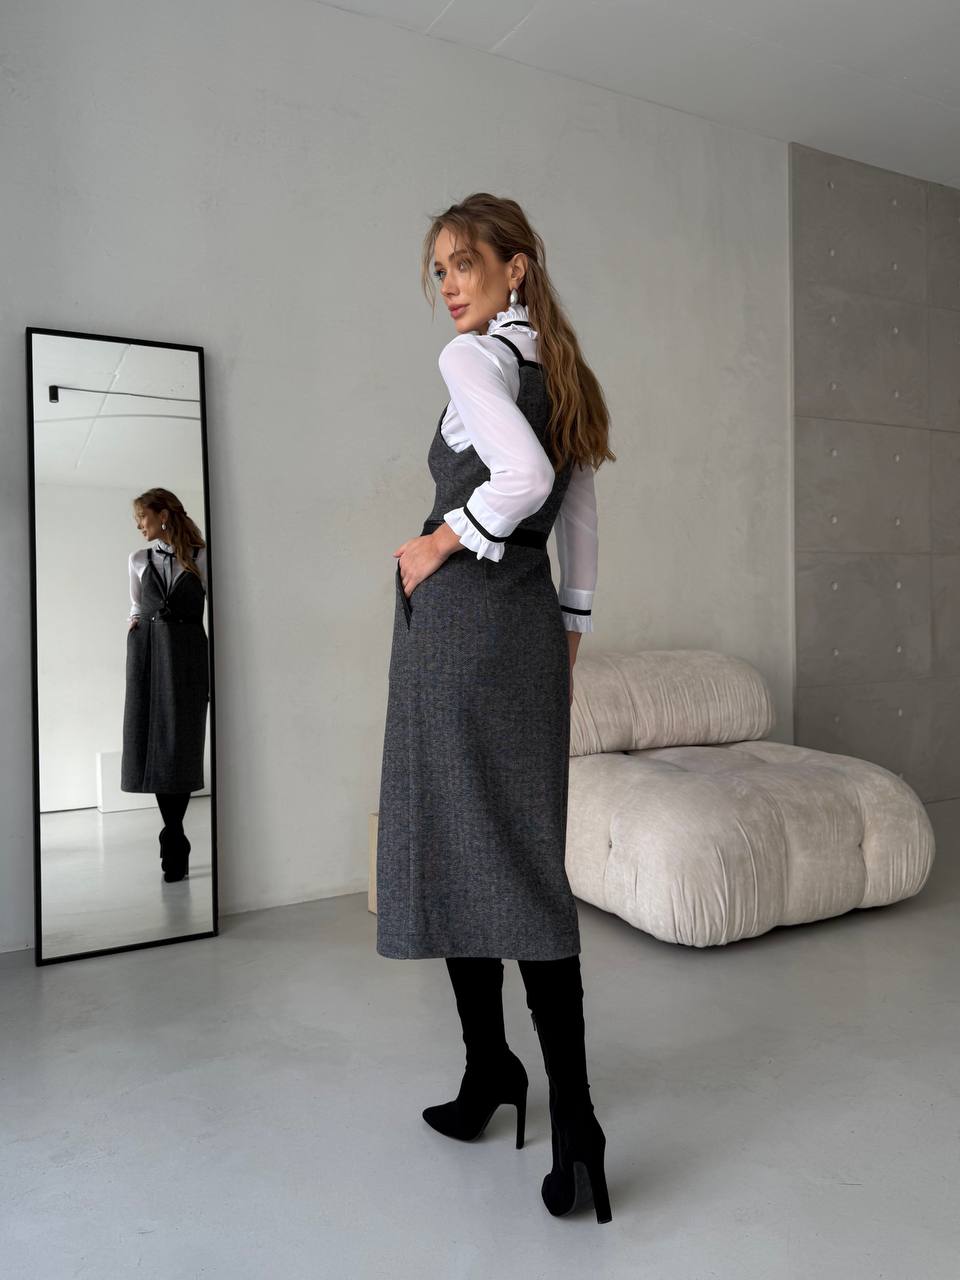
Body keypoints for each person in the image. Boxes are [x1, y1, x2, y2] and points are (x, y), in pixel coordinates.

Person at [375, 193, 616, 1223]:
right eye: (438, 270)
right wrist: (569, 630)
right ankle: (568, 1120)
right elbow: (580, 515)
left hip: (462, 630)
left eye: (463, 262)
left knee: (456, 843)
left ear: (517, 266)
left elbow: (520, 476)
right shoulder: (563, 370)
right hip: (524, 635)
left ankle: (494, 1070)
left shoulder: (470, 360)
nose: (449, 285)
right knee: (519, 855)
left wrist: (440, 540)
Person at [121, 488, 209, 883]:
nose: (139, 525)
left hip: (187, 653)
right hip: (148, 653)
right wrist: (133, 624)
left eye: (142, 516)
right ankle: (175, 834)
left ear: (163, 515)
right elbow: (137, 605)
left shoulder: (201, 557)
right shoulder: (138, 559)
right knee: (154, 741)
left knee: (181, 743)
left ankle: (172, 832)